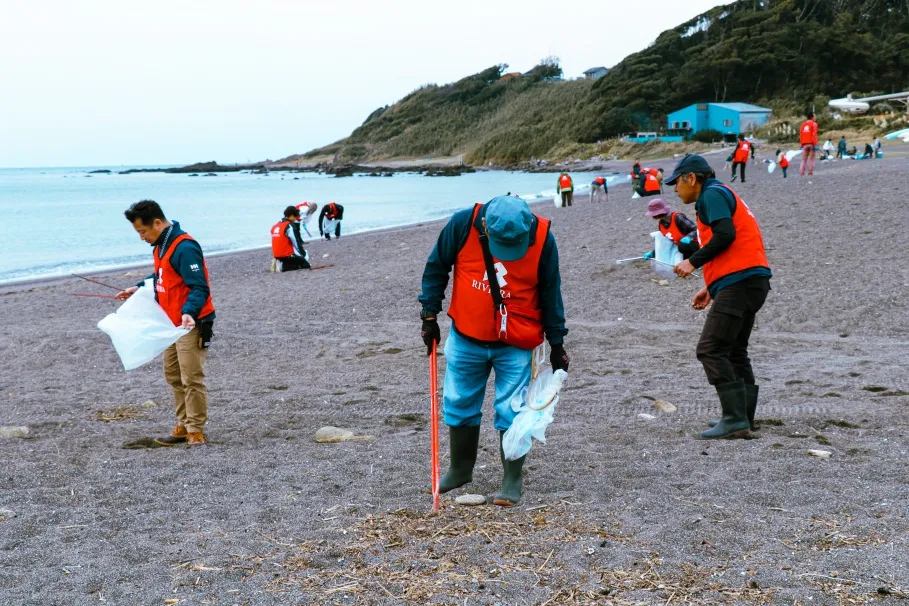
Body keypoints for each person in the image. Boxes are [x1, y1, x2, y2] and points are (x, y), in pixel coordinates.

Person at [418, 195, 569, 506]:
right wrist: (429, 316)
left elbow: (551, 291)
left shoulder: (543, 238)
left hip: (516, 343)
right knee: (458, 401)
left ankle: (512, 478)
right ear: (485, 226)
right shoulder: (462, 224)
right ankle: (460, 469)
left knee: (511, 410)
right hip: (466, 337)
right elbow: (436, 268)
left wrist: (557, 343)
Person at [665, 155, 772, 440]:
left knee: (710, 349)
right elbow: (729, 243)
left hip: (742, 282)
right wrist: (711, 287)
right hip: (751, 281)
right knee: (735, 350)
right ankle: (743, 416)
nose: (675, 190)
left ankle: (735, 419)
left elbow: (726, 235)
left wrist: (692, 262)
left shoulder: (710, 195)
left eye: (677, 182)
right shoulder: (721, 192)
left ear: (691, 178)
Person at [116, 201, 216, 447]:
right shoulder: (160, 246)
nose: (142, 237)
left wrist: (190, 312)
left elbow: (199, 286)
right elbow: (162, 275)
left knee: (191, 377)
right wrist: (137, 287)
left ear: (157, 223)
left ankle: (196, 430)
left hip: (191, 322)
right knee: (173, 375)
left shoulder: (185, 247)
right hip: (169, 323)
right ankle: (183, 425)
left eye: (143, 231)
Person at [272, 206, 311, 272]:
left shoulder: (275, 225)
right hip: (286, 256)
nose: (295, 219)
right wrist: (304, 255)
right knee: (306, 264)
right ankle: (283, 265)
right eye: (295, 216)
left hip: (276, 255)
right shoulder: (289, 226)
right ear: (292, 215)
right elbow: (296, 242)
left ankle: (280, 262)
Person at [799, 111, 818, 176]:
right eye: (815, 116)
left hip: (804, 144)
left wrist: (801, 144)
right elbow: (814, 135)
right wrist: (815, 145)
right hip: (811, 144)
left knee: (804, 159)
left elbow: (801, 135)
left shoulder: (803, 124)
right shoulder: (814, 124)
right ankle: (810, 172)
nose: (815, 117)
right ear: (812, 117)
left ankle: (801, 173)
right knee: (812, 159)